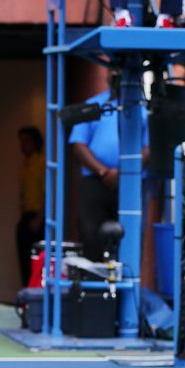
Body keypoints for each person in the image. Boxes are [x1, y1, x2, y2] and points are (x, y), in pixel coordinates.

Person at [68, 82, 150, 259]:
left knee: (130, 236)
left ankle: (126, 284)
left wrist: (122, 173)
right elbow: (78, 145)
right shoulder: (93, 105)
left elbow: (148, 148)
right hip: (95, 181)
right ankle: (94, 283)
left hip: (131, 182)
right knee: (90, 233)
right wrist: (103, 171)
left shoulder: (143, 108)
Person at [15, 126, 45, 287]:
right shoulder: (24, 165)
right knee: (24, 259)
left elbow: (47, 193)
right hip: (26, 215)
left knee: (37, 260)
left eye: (26, 141)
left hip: (38, 216)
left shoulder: (41, 163)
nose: (22, 145)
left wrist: (39, 219)